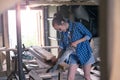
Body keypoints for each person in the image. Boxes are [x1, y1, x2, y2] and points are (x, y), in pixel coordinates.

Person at [51, 12, 95, 80]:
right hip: (73, 55)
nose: (60, 31)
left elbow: (89, 35)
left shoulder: (77, 26)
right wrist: (58, 58)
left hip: (85, 53)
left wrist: (77, 42)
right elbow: (61, 47)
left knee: (87, 76)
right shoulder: (63, 33)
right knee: (70, 78)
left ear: (63, 23)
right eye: (58, 30)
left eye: (59, 29)